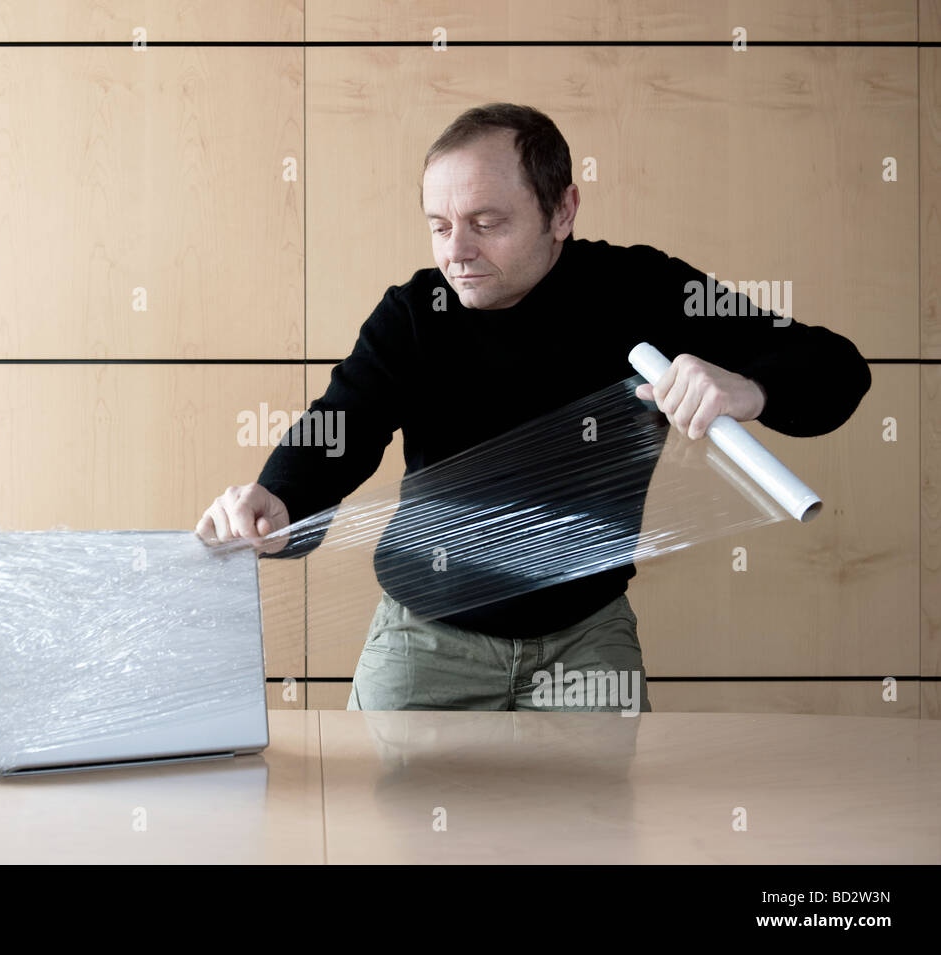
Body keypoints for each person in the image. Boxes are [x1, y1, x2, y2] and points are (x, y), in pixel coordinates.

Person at [195, 103, 871, 713]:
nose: (456, 252)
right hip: (426, 645)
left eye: (486, 224)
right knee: (394, 841)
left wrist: (748, 388)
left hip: (586, 644)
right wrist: (280, 497)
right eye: (439, 226)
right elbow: (343, 423)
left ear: (562, 211)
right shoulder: (415, 314)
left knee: (593, 838)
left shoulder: (641, 290)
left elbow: (836, 368)